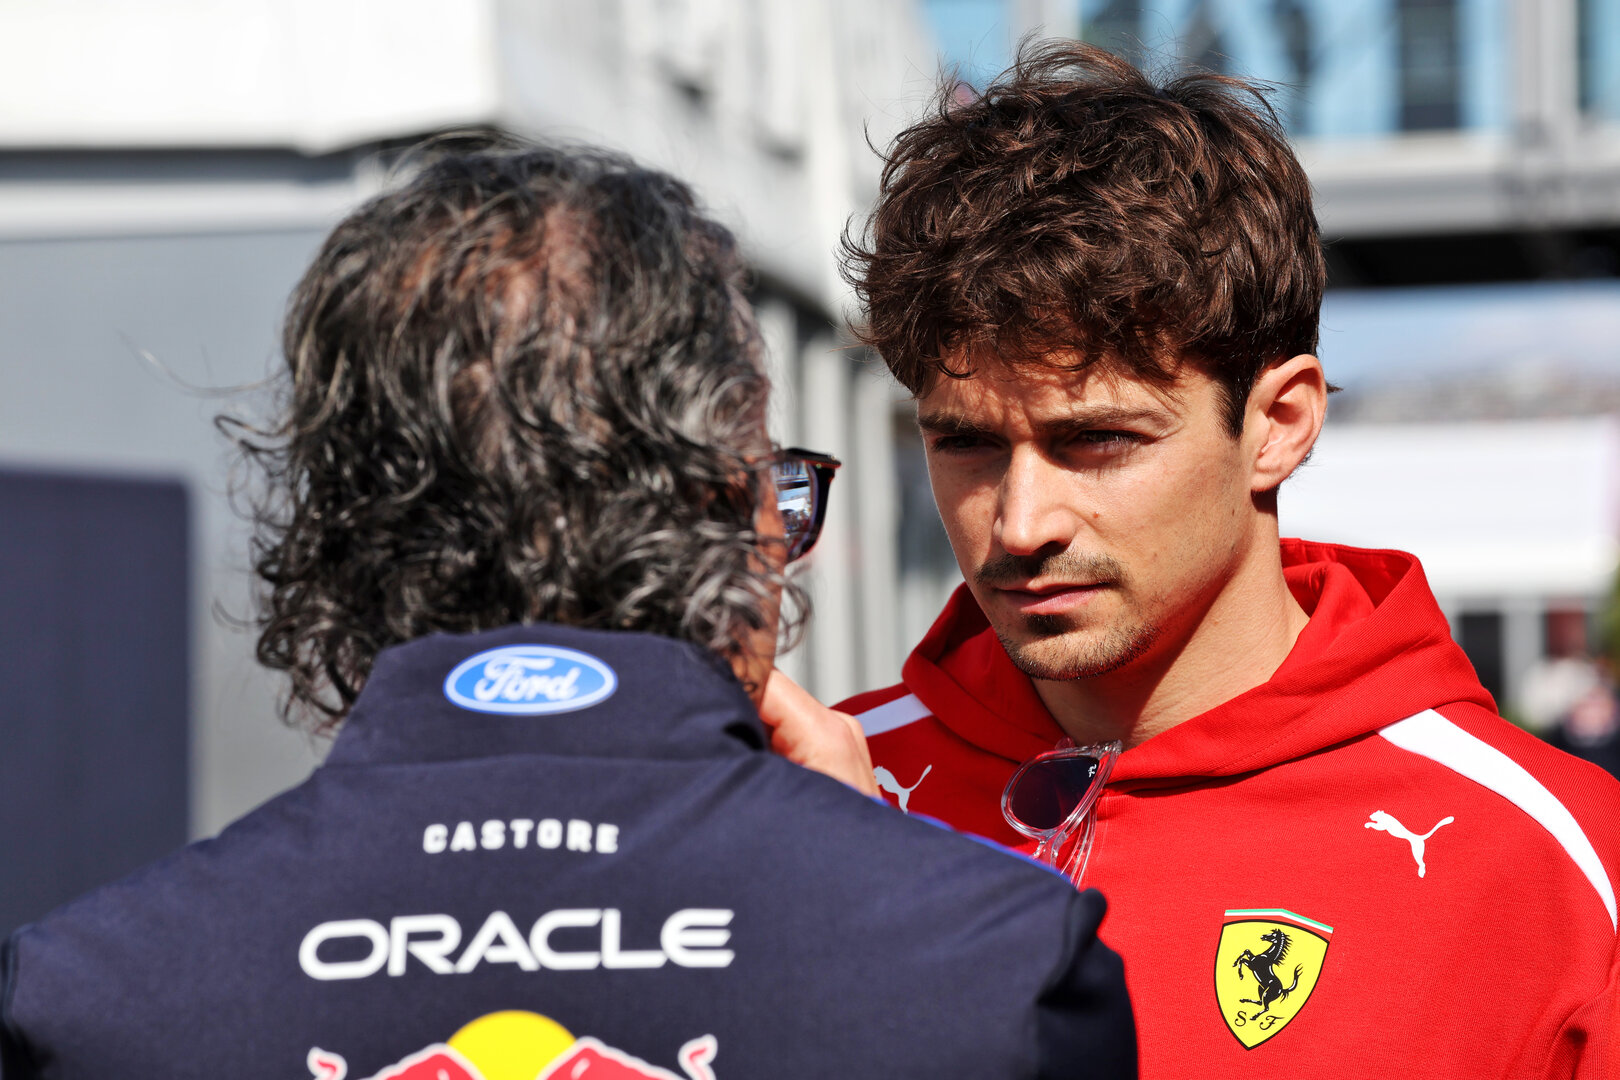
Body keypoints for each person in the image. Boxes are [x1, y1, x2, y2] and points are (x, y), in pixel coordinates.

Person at [0, 142, 1136, 1079]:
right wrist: (870, 885)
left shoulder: (83, 1000)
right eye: (776, 487)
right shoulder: (997, 973)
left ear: (343, 521)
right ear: (727, 507)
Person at [791, 42, 1618, 1078]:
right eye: (966, 442)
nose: (1020, 522)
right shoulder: (806, 795)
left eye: (1097, 440)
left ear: (1279, 424)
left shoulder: (1559, 867)